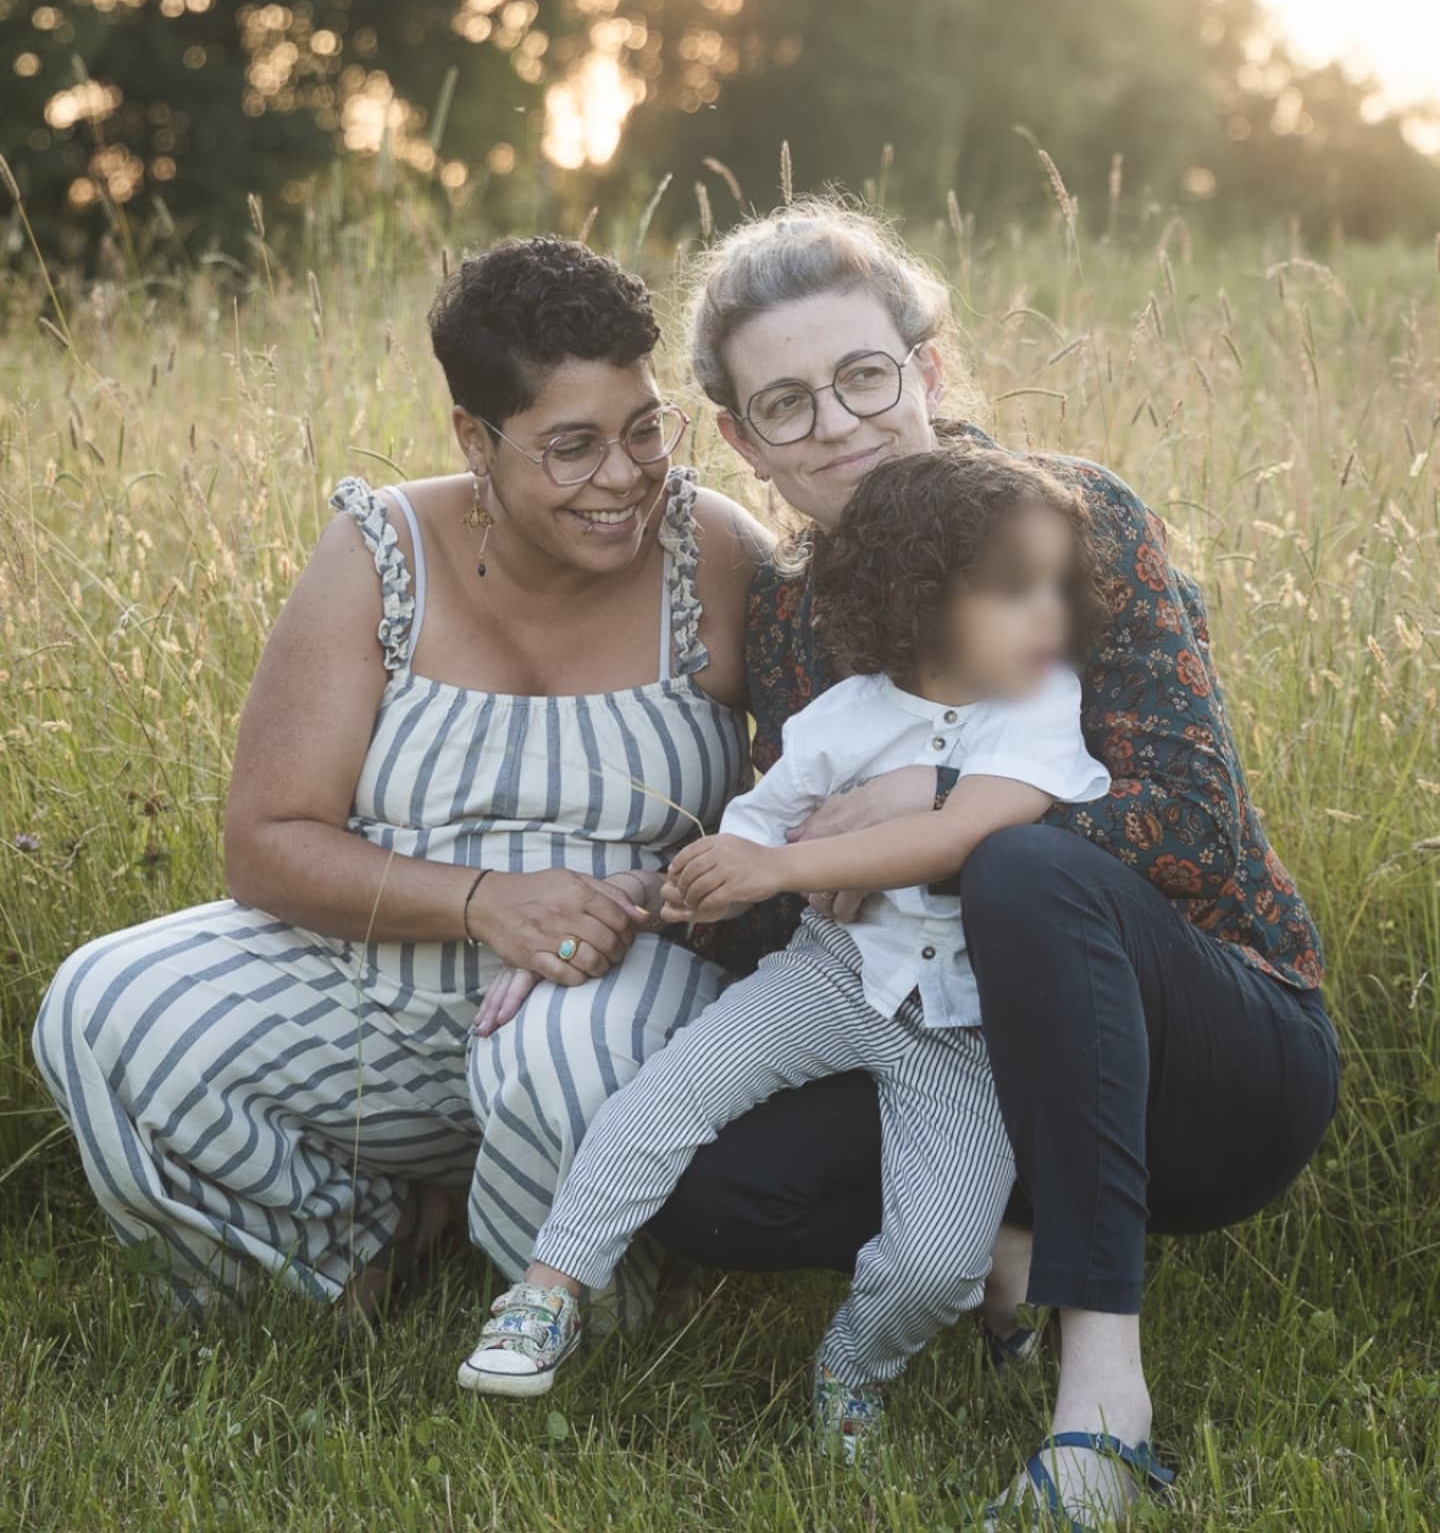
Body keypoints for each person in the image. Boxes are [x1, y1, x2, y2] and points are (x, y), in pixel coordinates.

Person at [645, 201, 1340, 1525]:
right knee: (710, 1187)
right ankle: (999, 1229)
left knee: (1024, 872)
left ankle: (1101, 1400)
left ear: (930, 369)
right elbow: (792, 897)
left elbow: (1186, 819)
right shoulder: (794, 626)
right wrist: (629, 903)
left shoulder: (1068, 524)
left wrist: (933, 804)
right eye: (785, 406)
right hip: (964, 1053)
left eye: (864, 375)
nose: (838, 424)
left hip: (1219, 1058)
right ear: (743, 443)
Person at [31, 236, 766, 1326]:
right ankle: (346, 1261)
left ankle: (576, 1309)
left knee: (563, 1070)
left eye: (644, 428)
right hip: (383, 968)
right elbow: (268, 842)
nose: (624, 476)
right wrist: (481, 902)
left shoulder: (712, 550)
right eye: (572, 446)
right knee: (103, 1007)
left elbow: (815, 791)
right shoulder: (380, 554)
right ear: (476, 437)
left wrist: (683, 903)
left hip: (614, 975)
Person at [456, 446, 1138, 1471]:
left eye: (1058, 584)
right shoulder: (841, 719)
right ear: (918, 607)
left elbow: (963, 834)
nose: (1053, 612)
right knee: (674, 1090)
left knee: (938, 1265)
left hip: (961, 1023)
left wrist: (782, 868)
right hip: (832, 970)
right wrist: (671, 889)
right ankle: (547, 1290)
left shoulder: (1040, 701)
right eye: (1016, 589)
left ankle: (855, 1363)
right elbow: (754, 835)